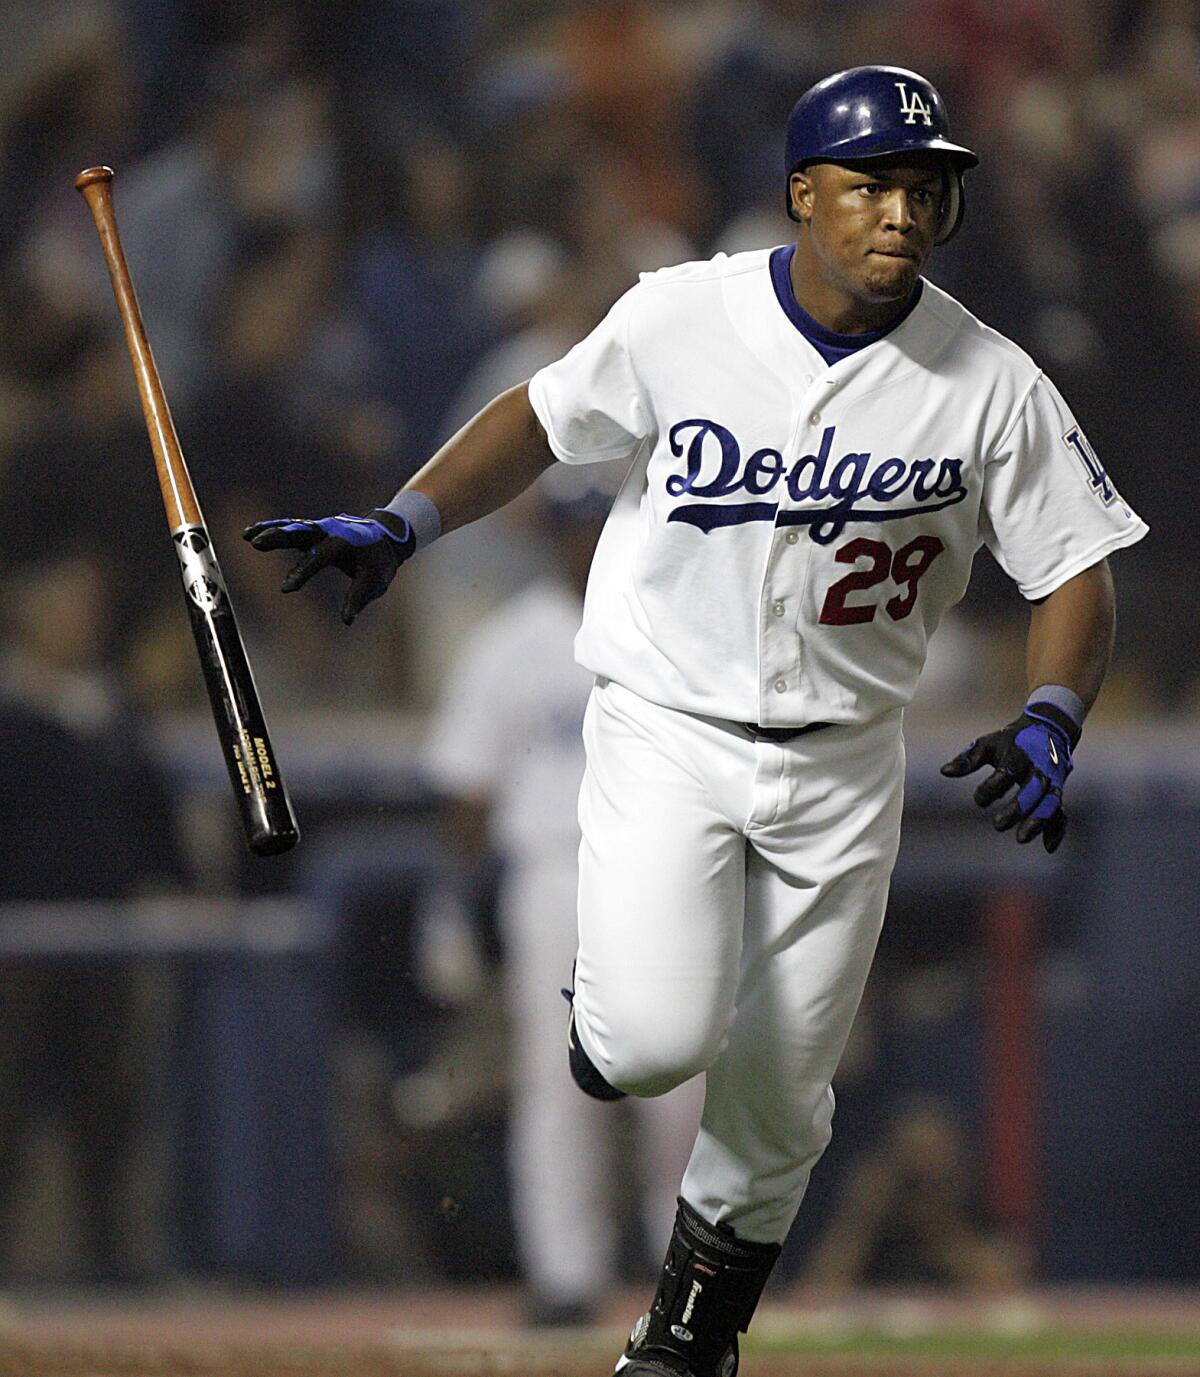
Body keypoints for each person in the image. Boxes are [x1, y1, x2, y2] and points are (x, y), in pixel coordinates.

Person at [246, 66, 1146, 1377]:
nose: (904, 211)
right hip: (673, 725)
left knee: (783, 1094)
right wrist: (406, 520)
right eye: (873, 183)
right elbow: (543, 422)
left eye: (927, 186)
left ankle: (686, 1341)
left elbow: (1076, 568)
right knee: (652, 1043)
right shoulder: (685, 315)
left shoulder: (988, 380)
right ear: (802, 193)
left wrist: (1056, 710)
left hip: (845, 758)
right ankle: (610, 1018)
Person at [420, 473, 703, 1326]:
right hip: (555, 868)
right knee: (558, 1078)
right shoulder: (510, 642)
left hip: (668, 870)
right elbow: (467, 792)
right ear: (552, 536)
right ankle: (564, 1271)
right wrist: (448, 907)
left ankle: (683, 1273)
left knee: (681, 1081)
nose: (588, 541)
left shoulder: (680, 627)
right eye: (576, 527)